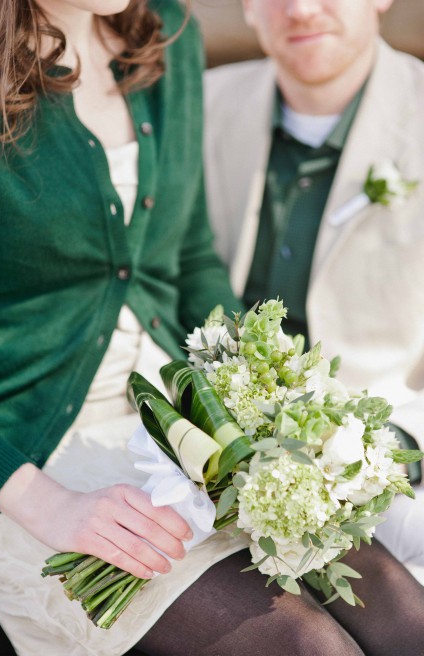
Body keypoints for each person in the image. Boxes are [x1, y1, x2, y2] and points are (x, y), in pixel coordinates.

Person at [0, 1, 424, 654]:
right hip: (33, 457)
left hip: (189, 421)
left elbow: (187, 256)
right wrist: (43, 503)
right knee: (309, 647)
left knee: (404, 620)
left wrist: (274, 407)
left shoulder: (165, 35)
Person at [203, 0, 424, 593]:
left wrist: (396, 447)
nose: (300, 9)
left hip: (390, 441)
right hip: (213, 438)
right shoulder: (198, 105)